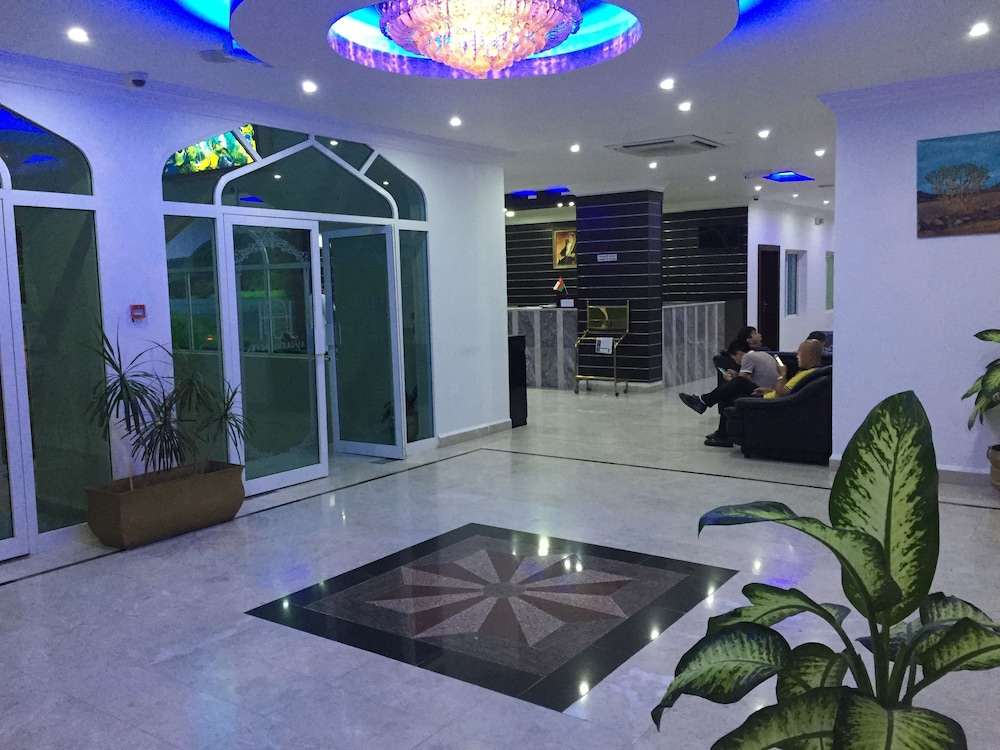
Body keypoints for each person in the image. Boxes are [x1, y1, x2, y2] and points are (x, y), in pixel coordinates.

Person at [679, 338, 780, 446]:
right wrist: (736, 377)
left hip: (764, 393)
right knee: (728, 392)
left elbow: (741, 381)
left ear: (739, 353)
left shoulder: (748, 357)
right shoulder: (763, 354)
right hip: (768, 390)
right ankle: (722, 433)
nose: (736, 362)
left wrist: (731, 379)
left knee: (731, 389)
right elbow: (751, 380)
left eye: (734, 358)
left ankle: (704, 403)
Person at [755, 338, 824, 399]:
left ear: (810, 356)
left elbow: (780, 395)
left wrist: (782, 374)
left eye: (799, 353)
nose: (797, 356)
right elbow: (791, 393)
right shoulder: (816, 372)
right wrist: (769, 391)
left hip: (767, 403)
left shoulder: (805, 374)